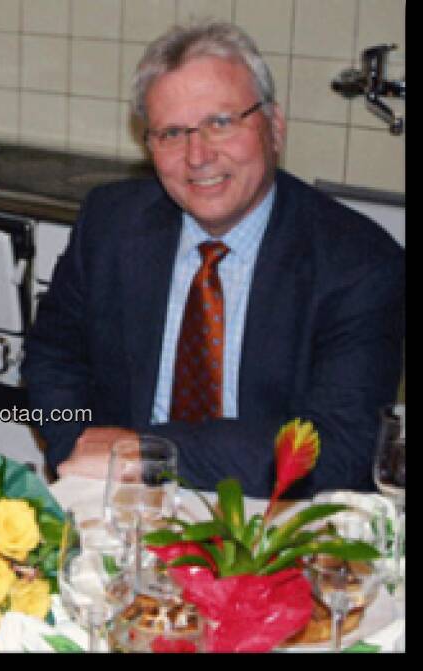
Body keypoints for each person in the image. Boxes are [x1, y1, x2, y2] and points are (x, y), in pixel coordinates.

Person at [21, 21, 404, 498]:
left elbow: (342, 445)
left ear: (275, 127)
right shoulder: (110, 222)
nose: (197, 155)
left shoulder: (359, 262)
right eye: (171, 133)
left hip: (274, 516)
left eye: (221, 123)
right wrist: (74, 450)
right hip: (122, 501)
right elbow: (52, 359)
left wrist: (147, 451)